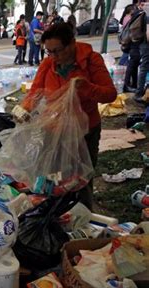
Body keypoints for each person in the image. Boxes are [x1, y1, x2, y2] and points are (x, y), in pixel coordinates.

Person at [16, 23, 117, 210]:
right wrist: (24, 109)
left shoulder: (91, 60)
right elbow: (35, 92)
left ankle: (84, 215)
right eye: (49, 52)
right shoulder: (49, 64)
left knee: (81, 176)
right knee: (54, 174)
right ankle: (54, 213)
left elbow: (110, 94)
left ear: (72, 44)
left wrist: (87, 87)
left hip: (84, 130)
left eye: (58, 51)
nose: (54, 57)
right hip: (53, 129)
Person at [124, 5, 143, 92]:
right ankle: (126, 84)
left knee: (134, 64)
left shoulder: (134, 16)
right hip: (135, 42)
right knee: (132, 63)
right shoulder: (138, 15)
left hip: (133, 42)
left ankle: (133, 84)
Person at [134, 0, 149, 105]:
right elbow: (148, 34)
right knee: (144, 68)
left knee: (144, 67)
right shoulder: (147, 14)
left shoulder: (145, 12)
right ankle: (139, 94)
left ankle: (141, 91)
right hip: (146, 45)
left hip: (143, 44)